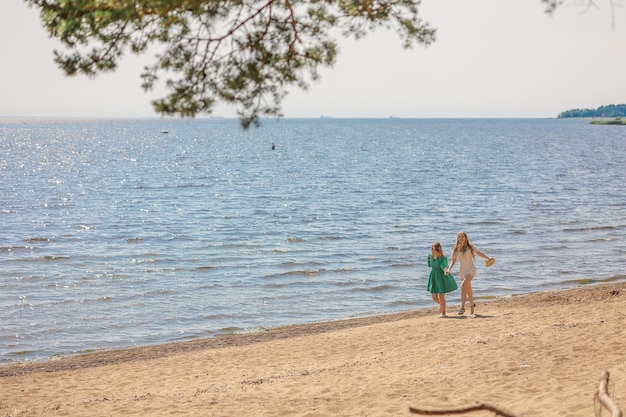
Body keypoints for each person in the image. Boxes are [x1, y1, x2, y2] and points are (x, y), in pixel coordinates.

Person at [445, 231, 494, 316]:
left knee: (463, 286)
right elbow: (453, 260)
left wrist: (488, 258)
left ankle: (462, 307)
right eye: (459, 237)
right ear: (457, 239)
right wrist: (449, 269)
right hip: (462, 271)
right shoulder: (456, 249)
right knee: (468, 288)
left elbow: (479, 253)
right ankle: (472, 304)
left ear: (466, 238)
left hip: (471, 270)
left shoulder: (471, 247)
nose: (461, 238)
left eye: (462, 236)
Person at [427, 242, 458, 317]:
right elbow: (429, 265)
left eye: (434, 249)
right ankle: (442, 305)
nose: (433, 251)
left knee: (441, 296)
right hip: (433, 276)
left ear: (439, 250)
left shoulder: (442, 258)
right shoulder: (430, 256)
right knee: (434, 297)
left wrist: (446, 271)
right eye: (432, 249)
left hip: (441, 277)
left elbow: (444, 266)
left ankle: (443, 312)